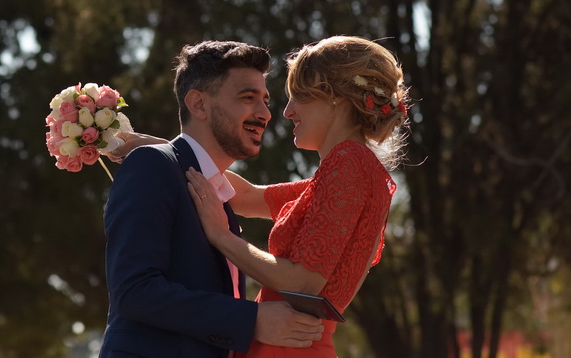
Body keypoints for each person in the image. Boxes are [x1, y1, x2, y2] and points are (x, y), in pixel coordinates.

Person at [117, 35, 408, 357]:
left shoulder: (349, 165)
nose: (286, 112)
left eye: (297, 97)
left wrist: (220, 235)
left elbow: (302, 284)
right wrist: (162, 149)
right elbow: (246, 197)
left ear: (334, 98)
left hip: (287, 346)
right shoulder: (344, 174)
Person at [99, 40, 324, 357]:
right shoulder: (151, 164)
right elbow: (134, 291)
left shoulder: (217, 192)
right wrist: (253, 320)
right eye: (248, 98)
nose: (265, 114)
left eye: (264, 100)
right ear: (199, 105)